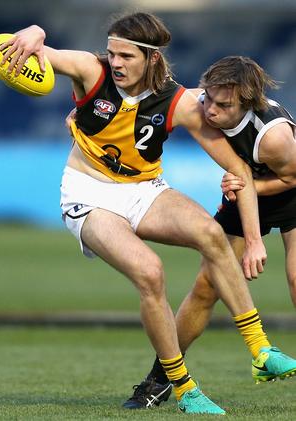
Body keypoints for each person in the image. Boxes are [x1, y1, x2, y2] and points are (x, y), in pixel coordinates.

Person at [0, 13, 293, 414]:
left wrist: (254, 238)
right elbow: (44, 52)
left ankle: (260, 350)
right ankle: (185, 388)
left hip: (144, 189)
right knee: (151, 272)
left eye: (125, 56)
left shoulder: (179, 102)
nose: (115, 62)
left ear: (152, 59)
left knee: (210, 233)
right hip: (88, 193)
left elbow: (238, 169)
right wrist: (34, 32)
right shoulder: (91, 69)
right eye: (112, 52)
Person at [122, 55, 296, 410]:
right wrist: (84, 114)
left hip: (286, 189)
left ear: (247, 103)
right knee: (205, 286)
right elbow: (142, 100)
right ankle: (160, 379)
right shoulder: (205, 100)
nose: (211, 110)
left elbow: (292, 177)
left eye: (223, 105)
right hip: (242, 188)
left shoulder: (274, 137)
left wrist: (247, 188)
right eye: (209, 99)